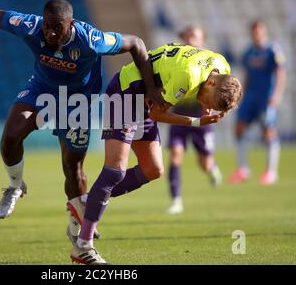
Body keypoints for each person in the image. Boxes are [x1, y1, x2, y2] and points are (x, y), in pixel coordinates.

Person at [0, 0, 165, 241]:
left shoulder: (91, 39)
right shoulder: (30, 26)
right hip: (41, 91)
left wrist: (151, 88)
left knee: (73, 168)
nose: (50, 33)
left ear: (70, 24)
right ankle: (14, 187)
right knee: (11, 135)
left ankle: (76, 225)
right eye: (47, 26)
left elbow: (136, 43)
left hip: (76, 103)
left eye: (58, 28)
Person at [70, 43, 243, 264]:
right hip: (125, 92)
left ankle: (86, 201)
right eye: (208, 101)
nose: (206, 105)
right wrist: (197, 121)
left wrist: (210, 106)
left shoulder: (221, 65)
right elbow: (156, 114)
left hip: (145, 99)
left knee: (153, 169)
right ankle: (83, 246)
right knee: (114, 171)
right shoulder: (188, 76)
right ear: (210, 82)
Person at [166, 26, 222, 215]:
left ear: (202, 41)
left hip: (201, 115)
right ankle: (176, 201)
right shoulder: (178, 60)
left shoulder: (210, 62)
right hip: (179, 113)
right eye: (188, 35)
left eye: (195, 36)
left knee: (204, 163)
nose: (190, 39)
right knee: (175, 155)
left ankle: (212, 168)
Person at [229, 20, 286, 185]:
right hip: (250, 97)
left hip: (265, 97)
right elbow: (247, 75)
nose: (257, 34)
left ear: (264, 32)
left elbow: (281, 73)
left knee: (268, 131)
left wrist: (277, 95)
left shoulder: (273, 50)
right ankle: (242, 168)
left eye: (259, 31)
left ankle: (271, 171)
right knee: (239, 128)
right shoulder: (248, 52)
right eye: (254, 31)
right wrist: (241, 95)